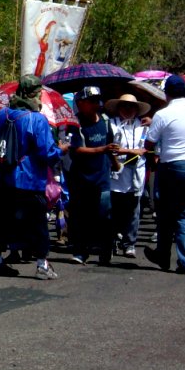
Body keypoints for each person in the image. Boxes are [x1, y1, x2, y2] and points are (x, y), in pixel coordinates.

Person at [0, 75, 63, 280]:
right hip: (28, 179)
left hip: (2, 175)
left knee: (0, 220)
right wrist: (60, 151)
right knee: (37, 223)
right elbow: (46, 152)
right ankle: (41, 265)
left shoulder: (2, 114)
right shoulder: (37, 119)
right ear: (35, 93)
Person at [144, 75, 185, 275]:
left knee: (165, 213)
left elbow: (149, 143)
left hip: (173, 166)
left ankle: (163, 254)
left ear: (167, 93)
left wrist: (152, 157)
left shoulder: (164, 114)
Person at [66, 86, 116, 266]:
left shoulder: (105, 120)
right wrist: (102, 149)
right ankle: (81, 252)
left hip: (102, 177)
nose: (97, 104)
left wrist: (115, 161)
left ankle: (105, 250)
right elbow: (76, 150)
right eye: (92, 101)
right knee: (81, 217)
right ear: (81, 103)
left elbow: (111, 145)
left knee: (104, 216)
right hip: (81, 178)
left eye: (98, 100)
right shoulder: (75, 124)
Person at [105, 93, 150, 258]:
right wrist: (131, 151)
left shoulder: (143, 126)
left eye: (131, 106)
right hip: (117, 172)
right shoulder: (111, 125)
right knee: (114, 208)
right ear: (118, 108)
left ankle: (129, 243)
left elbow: (151, 145)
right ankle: (113, 239)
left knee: (133, 209)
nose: (128, 109)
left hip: (136, 171)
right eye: (124, 106)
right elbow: (110, 148)